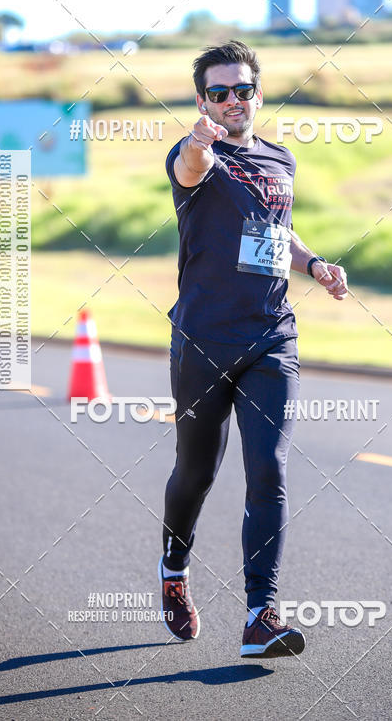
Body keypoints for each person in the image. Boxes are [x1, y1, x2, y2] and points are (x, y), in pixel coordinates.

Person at [158, 40, 348, 658]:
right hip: (204, 340)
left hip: (272, 335)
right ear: (202, 101)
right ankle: (174, 569)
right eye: (219, 92)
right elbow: (190, 169)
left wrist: (314, 262)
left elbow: (277, 227)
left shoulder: (279, 158)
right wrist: (197, 143)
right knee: (197, 471)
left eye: (242, 90)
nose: (233, 100)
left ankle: (260, 615)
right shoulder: (194, 157)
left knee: (269, 468)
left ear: (258, 95)